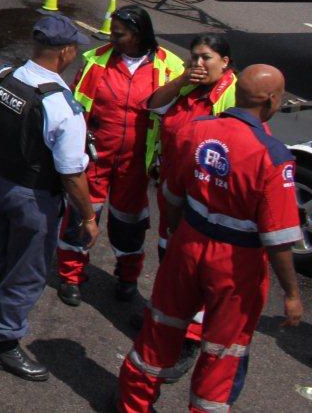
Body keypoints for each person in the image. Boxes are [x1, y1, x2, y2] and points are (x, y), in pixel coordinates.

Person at [117, 65, 303, 413]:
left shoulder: (197, 131)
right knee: (222, 351)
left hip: (188, 242)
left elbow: (172, 192)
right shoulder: (273, 155)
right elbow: (278, 238)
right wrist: (291, 294)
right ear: (272, 101)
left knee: (160, 329)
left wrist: (176, 234)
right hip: (237, 265)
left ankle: (131, 404)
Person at [0, 14, 97, 382]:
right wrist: (88, 217)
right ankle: (4, 343)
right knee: (27, 271)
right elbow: (72, 174)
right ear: (66, 52)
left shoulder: (2, 78)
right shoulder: (62, 107)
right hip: (34, 199)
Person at [56, 6, 183, 307]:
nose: (112, 38)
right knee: (80, 215)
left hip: (135, 164)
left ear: (138, 34)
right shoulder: (95, 60)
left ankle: (127, 279)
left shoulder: (170, 67)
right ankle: (71, 276)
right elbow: (75, 106)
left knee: (130, 224)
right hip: (96, 155)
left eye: (119, 34)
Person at [139, 34, 238, 380]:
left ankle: (190, 339)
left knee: (195, 269)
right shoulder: (186, 88)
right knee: (169, 256)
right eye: (193, 58)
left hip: (203, 201)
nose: (198, 65)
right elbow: (152, 104)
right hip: (172, 192)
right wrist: (181, 80)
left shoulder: (231, 97)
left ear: (225, 62)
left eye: (206, 58)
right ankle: (167, 317)